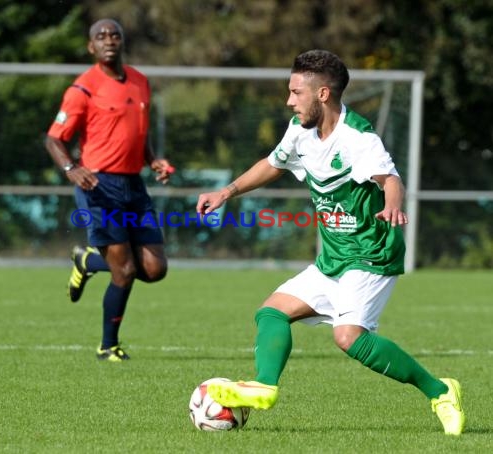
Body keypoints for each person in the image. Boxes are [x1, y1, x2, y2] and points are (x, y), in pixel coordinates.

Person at [196, 50, 465, 436]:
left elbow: (390, 180)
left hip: (371, 256)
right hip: (334, 257)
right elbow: (274, 163)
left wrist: (391, 207)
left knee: (348, 337)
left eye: (295, 92)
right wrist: (228, 191)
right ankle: (264, 386)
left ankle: (440, 391)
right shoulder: (299, 130)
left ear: (322, 94)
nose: (289, 100)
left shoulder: (357, 138)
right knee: (271, 312)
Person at [45, 18, 174, 362]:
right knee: (125, 271)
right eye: (100, 36)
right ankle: (107, 346)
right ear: (91, 47)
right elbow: (54, 138)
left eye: (114, 34)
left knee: (154, 269)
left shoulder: (140, 81)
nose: (108, 40)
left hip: (134, 184)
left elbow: (136, 134)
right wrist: (72, 168)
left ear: (122, 41)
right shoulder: (82, 88)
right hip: (99, 186)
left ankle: (87, 260)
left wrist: (152, 161)